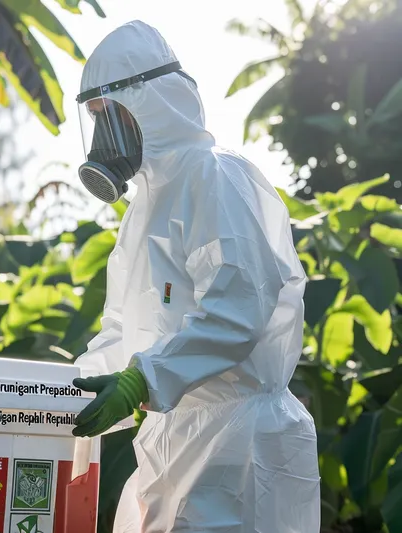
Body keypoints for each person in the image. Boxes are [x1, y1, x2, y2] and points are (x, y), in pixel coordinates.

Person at [70, 21, 320, 533]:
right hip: (172, 444)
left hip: (240, 447)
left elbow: (237, 307)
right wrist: (60, 395)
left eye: (109, 116)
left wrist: (146, 377)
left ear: (150, 104)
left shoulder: (216, 175)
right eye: (93, 119)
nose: (103, 137)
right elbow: (123, 329)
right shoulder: (142, 210)